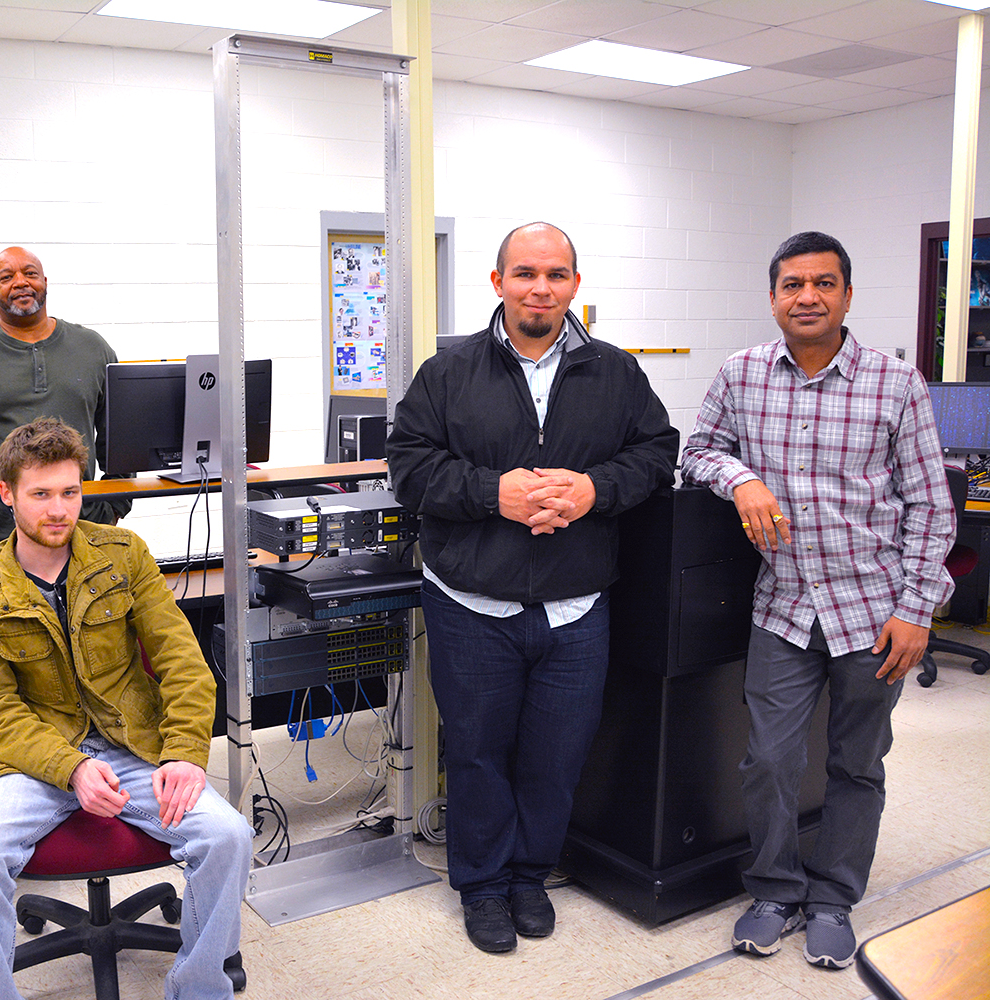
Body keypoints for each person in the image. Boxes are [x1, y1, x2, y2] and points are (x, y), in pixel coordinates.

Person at [386, 222, 679, 954]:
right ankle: (482, 886)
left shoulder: (616, 373)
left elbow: (657, 453)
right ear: (497, 284)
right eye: (524, 274)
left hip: (576, 607)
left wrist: (592, 489)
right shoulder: (447, 374)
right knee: (480, 754)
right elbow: (409, 468)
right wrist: (495, 494)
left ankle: (528, 876)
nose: (539, 288)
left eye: (554, 274)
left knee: (555, 757)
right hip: (470, 604)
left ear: (575, 284)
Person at [680, 231, 955, 970]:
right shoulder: (741, 374)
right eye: (793, 284)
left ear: (846, 295)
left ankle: (833, 897)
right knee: (768, 761)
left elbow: (931, 507)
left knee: (856, 763)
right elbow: (697, 446)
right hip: (785, 606)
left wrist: (918, 608)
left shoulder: (896, 383)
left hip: (875, 610)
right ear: (773, 297)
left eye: (824, 284)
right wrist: (741, 478)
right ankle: (773, 890)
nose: (808, 297)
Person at [0, 417, 250, 1000]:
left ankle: (201, 988)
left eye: (70, 492)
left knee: (227, 835)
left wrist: (184, 752)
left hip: (130, 745)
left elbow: (182, 659)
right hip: (33, 761)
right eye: (40, 494)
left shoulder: (123, 554)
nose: (58, 510)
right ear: (5, 495)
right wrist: (71, 768)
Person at [0, 246, 131, 552]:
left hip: (82, 532)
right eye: (7, 277)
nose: (21, 282)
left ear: (45, 282)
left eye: (30, 273)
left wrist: (114, 508)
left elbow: (120, 441)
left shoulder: (93, 349)